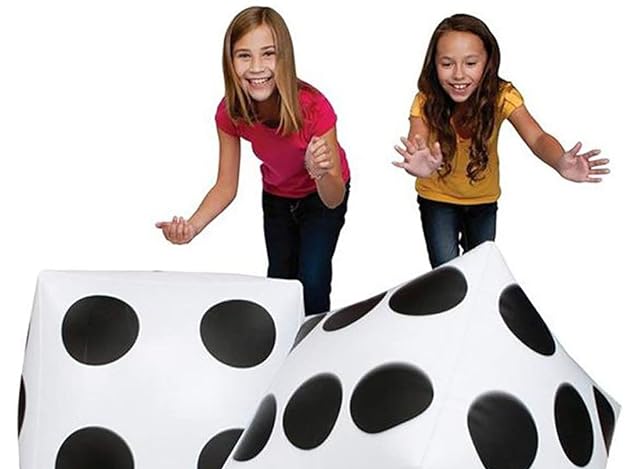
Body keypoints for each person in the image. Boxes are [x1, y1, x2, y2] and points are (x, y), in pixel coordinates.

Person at [156, 6, 350, 314]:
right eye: (244, 56)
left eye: (268, 54)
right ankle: (285, 340)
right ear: (230, 62)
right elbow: (225, 185)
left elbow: (334, 197)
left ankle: (314, 340)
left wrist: (319, 172)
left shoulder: (314, 108)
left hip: (321, 193)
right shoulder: (230, 112)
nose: (256, 67)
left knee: (312, 279)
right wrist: (192, 227)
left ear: (284, 57)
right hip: (277, 196)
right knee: (280, 281)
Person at [393, 13, 609, 268]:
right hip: (437, 199)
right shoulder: (426, 99)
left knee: (480, 268)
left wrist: (559, 161)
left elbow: (537, 137)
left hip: (483, 200)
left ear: (488, 62)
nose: (459, 74)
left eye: (470, 63)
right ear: (434, 64)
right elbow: (417, 138)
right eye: (447, 64)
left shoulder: (501, 95)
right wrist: (420, 161)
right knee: (446, 272)